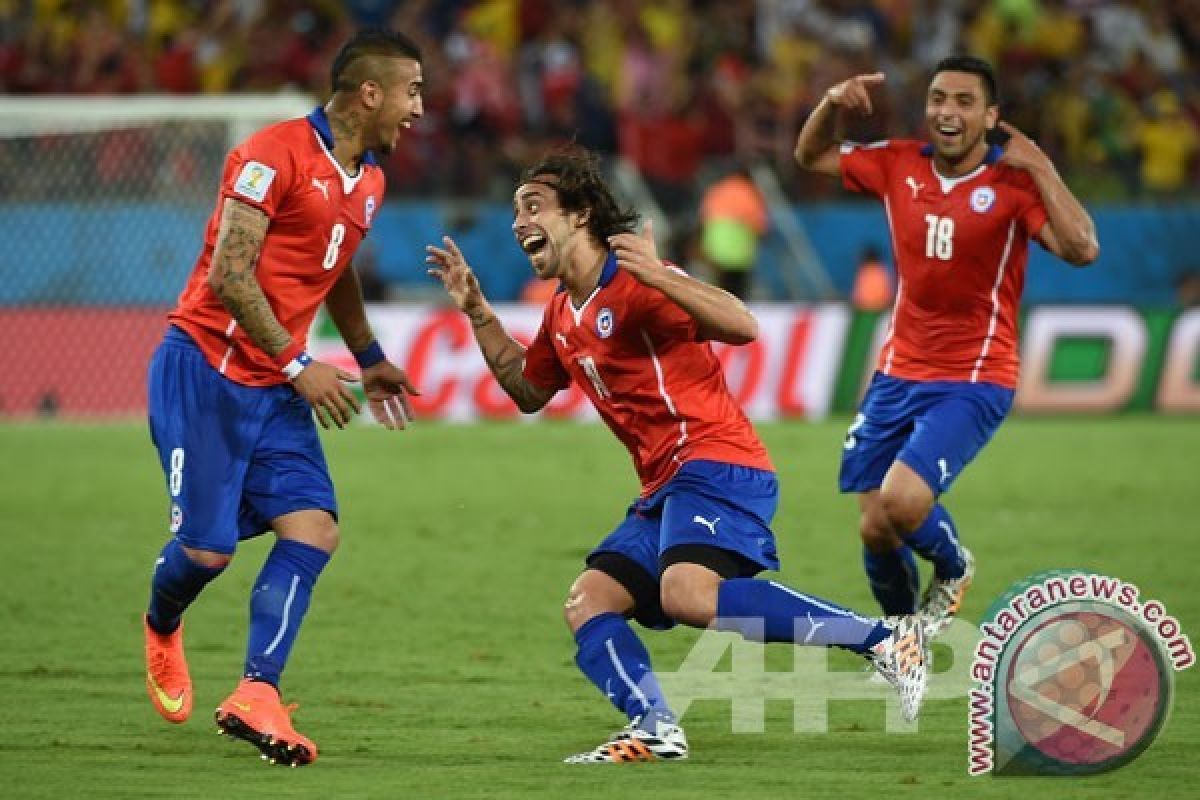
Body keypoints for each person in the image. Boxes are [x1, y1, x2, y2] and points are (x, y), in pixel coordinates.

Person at [426, 148, 928, 764]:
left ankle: (886, 638)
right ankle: (654, 724)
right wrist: (479, 313)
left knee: (688, 593)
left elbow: (742, 325)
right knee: (590, 601)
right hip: (665, 487)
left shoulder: (636, 285)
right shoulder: (561, 311)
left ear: (581, 214)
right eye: (515, 210)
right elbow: (529, 390)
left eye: (533, 206)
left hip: (717, 460)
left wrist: (662, 274)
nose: (518, 221)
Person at [141, 29, 424, 767]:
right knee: (206, 554)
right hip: (204, 369)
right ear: (370, 93)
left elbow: (336, 265)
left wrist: (369, 357)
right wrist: (303, 360)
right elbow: (231, 276)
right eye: (411, 92)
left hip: (273, 385)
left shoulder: (368, 178)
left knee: (314, 529)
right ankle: (162, 622)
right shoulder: (273, 154)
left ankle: (257, 692)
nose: (418, 110)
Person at [794, 56, 1098, 641]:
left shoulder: (1013, 184)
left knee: (904, 502)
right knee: (875, 529)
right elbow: (811, 156)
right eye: (938, 98)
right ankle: (901, 640)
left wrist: (1041, 165)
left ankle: (954, 568)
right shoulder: (898, 163)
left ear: (991, 115)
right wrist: (831, 103)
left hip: (975, 375)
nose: (947, 112)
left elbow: (1083, 248)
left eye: (963, 101)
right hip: (896, 371)